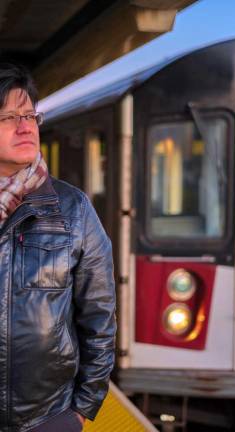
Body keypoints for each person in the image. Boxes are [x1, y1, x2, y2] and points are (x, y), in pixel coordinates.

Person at [0, 63, 116, 432]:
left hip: (47, 419)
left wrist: (80, 410)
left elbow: (100, 317)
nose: (25, 126)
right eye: (8, 117)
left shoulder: (73, 210)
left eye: (30, 114)